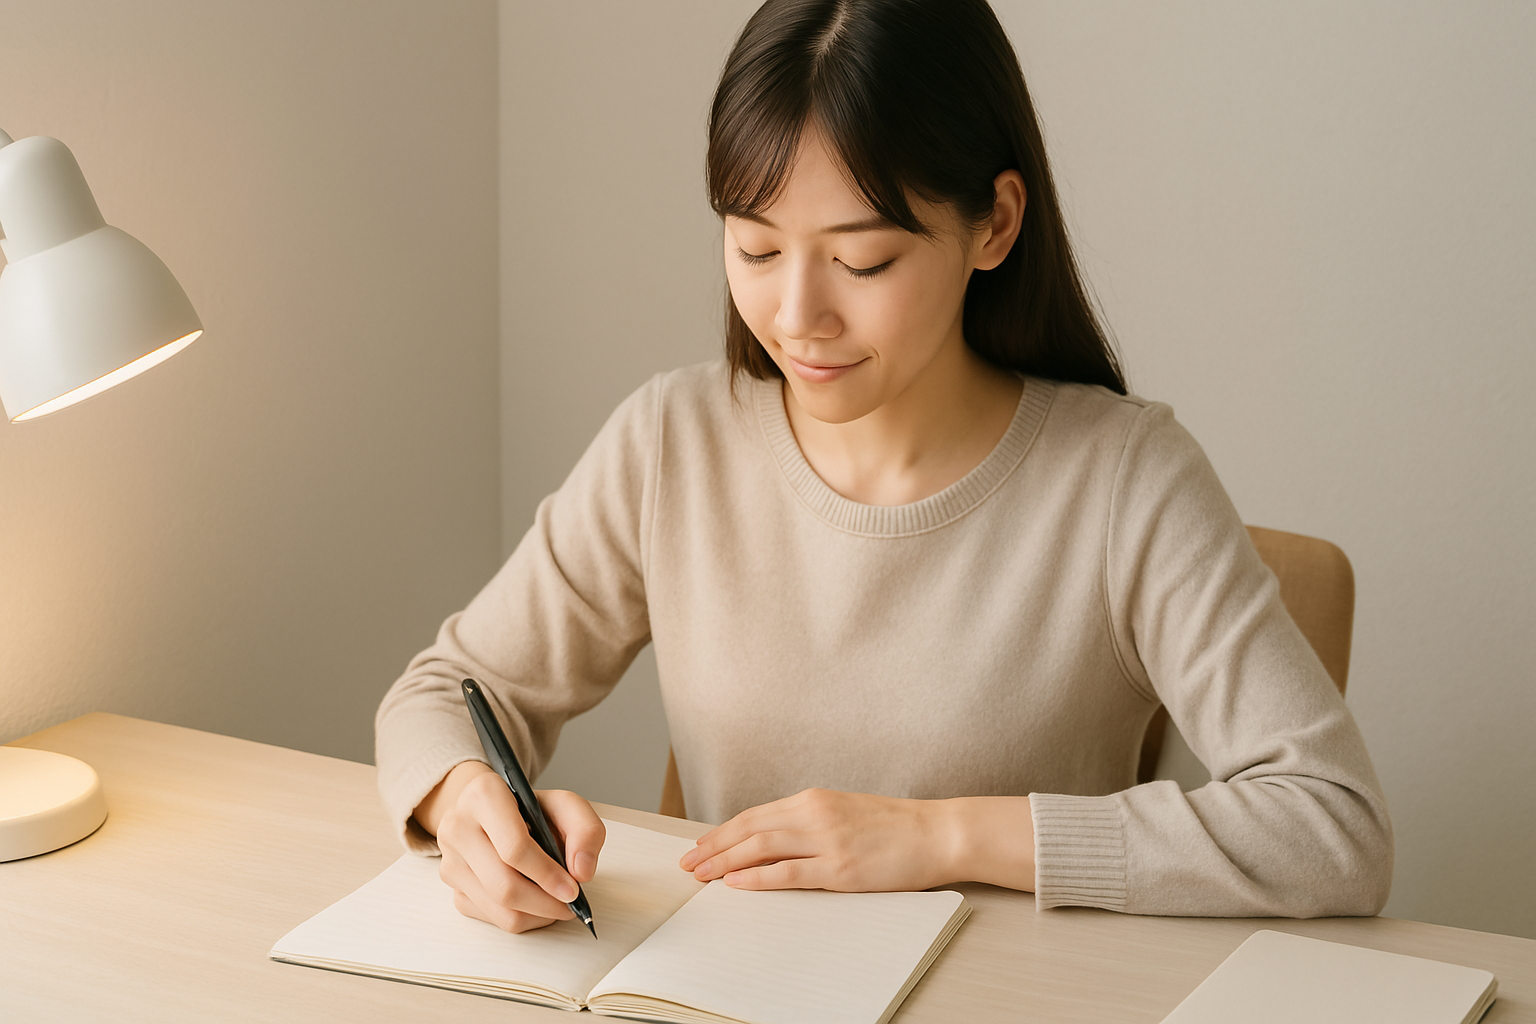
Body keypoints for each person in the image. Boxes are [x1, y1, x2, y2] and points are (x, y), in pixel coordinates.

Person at [375, 0, 1392, 935]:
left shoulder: (1126, 480)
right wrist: (468, 802)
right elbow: (447, 690)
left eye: (862, 263)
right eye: (755, 248)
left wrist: (939, 837)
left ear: (993, 223)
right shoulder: (671, 443)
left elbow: (1333, 828)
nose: (796, 317)